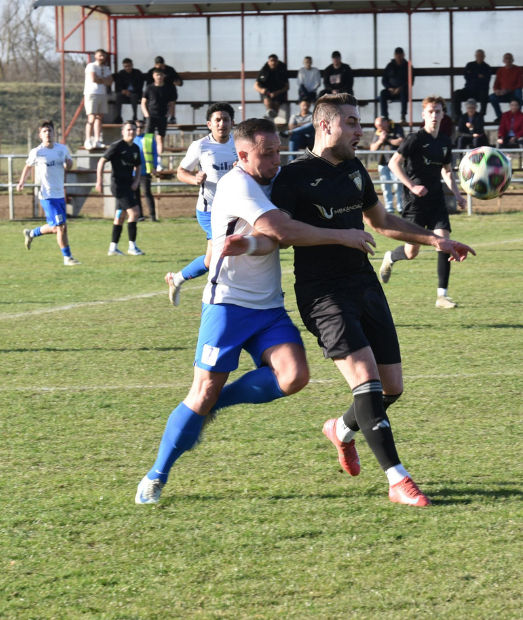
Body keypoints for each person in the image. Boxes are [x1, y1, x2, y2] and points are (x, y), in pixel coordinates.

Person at [135, 117, 380, 506]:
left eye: (279, 151)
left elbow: (268, 241)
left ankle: (219, 404)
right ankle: (156, 475)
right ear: (242, 155)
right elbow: (281, 231)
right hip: (227, 306)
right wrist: (343, 235)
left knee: (295, 376)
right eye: (267, 154)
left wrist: (247, 245)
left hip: (267, 306)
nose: (275, 160)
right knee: (200, 394)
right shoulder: (237, 185)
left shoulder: (274, 178)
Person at [270, 93, 475, 507]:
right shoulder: (293, 177)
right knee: (367, 382)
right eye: (351, 123)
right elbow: (282, 233)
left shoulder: (355, 171)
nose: (360, 131)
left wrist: (434, 239)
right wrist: (339, 236)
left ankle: (341, 431)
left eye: (359, 123)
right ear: (325, 125)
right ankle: (399, 480)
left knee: (392, 389)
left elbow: (380, 222)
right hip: (323, 293)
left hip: (364, 284)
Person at [380, 95, 467, 308]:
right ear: (423, 114)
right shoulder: (415, 139)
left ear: (443, 113)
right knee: (411, 252)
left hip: (436, 199)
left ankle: (442, 296)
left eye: (438, 111)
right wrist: (412, 186)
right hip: (414, 202)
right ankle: (391, 256)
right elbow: (394, 164)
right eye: (430, 112)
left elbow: (446, 171)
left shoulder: (446, 141)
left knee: (444, 242)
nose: (434, 115)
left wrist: (457, 194)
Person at [166, 103, 237, 305]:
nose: (222, 123)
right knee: (224, 251)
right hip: (209, 211)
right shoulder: (200, 146)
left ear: (232, 123)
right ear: (209, 124)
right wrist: (194, 179)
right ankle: (220, 299)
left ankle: (176, 278)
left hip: (234, 210)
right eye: (217, 120)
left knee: (210, 260)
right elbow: (181, 172)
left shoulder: (239, 144)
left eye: (225, 119)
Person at [18, 121, 79, 265]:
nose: (48, 133)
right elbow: (28, 166)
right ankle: (67, 258)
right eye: (44, 131)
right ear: (40, 135)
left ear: (54, 133)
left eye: (50, 131)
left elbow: (68, 163)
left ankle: (31, 233)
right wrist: (22, 181)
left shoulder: (62, 149)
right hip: (47, 196)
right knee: (61, 227)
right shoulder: (37, 152)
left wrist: (69, 164)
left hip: (59, 195)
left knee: (55, 228)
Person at [96, 120, 144, 256]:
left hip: (128, 186)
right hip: (119, 186)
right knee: (135, 213)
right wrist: (99, 181)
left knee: (120, 216)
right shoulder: (116, 146)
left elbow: (138, 166)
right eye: (129, 129)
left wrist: (136, 181)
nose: (131, 132)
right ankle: (132, 247)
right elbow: (101, 161)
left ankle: (113, 248)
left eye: (134, 129)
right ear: (123, 132)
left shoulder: (135, 148)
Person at [369, 116, 406, 215]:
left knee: (398, 185)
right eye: (377, 126)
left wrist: (388, 139)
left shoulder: (396, 127)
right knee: (385, 186)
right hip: (383, 163)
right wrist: (380, 140)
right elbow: (372, 148)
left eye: (381, 125)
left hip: (396, 163)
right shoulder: (378, 132)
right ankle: (389, 208)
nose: (379, 128)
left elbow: (402, 141)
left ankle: (400, 207)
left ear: (386, 122)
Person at [83, 48, 113, 149]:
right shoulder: (91, 66)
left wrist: (100, 80)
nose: (102, 57)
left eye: (103, 56)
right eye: (100, 55)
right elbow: (93, 79)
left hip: (102, 94)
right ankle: (88, 139)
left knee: (99, 118)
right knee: (91, 117)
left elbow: (110, 81)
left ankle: (97, 140)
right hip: (92, 93)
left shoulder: (106, 68)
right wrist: (103, 80)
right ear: (95, 56)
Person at [451, 49, 493, 116]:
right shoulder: (470, 65)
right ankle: (458, 115)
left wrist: (473, 76)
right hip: (468, 90)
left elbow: (486, 80)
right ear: (475, 56)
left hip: (480, 92)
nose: (479, 57)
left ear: (484, 56)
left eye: (481, 56)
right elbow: (467, 77)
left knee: (484, 95)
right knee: (457, 93)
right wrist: (478, 76)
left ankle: (481, 116)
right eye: (478, 56)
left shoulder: (487, 67)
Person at [141, 68, 176, 149]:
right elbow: (143, 103)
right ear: (153, 76)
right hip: (151, 115)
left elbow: (172, 103)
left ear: (164, 76)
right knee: (148, 138)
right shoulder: (149, 88)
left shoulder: (168, 88)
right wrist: (146, 115)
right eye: (157, 75)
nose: (159, 77)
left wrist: (168, 114)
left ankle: (159, 158)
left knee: (160, 138)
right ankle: (148, 157)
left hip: (162, 116)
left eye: (161, 75)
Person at [146, 56, 182, 123]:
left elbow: (179, 80)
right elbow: (148, 86)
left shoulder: (170, 70)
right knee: (149, 131)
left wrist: (177, 82)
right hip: (152, 113)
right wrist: (147, 116)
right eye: (157, 74)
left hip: (168, 92)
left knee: (161, 131)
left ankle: (172, 117)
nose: (160, 76)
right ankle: (148, 119)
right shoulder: (151, 72)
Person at [488, 52, 523, 119]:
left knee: (519, 92)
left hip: (513, 94)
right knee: (492, 97)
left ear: (512, 60)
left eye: (509, 58)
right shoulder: (500, 70)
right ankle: (500, 116)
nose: (508, 60)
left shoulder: (518, 69)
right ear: (503, 60)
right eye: (506, 58)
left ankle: (518, 115)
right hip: (503, 94)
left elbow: (520, 84)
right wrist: (497, 91)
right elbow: (496, 84)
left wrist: (509, 90)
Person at [135, 126, 160, 221]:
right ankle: (140, 216)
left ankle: (152, 216)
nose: (138, 129)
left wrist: (154, 166)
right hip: (133, 172)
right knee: (135, 194)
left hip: (145, 171)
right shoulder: (131, 138)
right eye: (136, 127)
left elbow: (154, 153)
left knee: (147, 192)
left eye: (140, 127)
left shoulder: (148, 138)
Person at [255, 54, 289, 118]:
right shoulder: (264, 70)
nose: (273, 63)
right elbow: (256, 85)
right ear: (268, 62)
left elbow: (287, 86)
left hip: (279, 92)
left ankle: (270, 116)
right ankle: (269, 113)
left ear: (277, 62)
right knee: (267, 101)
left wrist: (277, 93)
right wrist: (262, 90)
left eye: (275, 61)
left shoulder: (282, 71)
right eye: (271, 61)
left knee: (276, 104)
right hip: (266, 92)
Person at [380, 47, 409, 121]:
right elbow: (384, 79)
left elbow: (410, 81)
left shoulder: (408, 66)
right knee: (383, 93)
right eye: (397, 54)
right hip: (391, 91)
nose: (398, 56)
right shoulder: (389, 66)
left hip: (402, 90)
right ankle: (385, 116)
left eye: (400, 54)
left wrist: (400, 88)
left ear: (403, 55)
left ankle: (403, 115)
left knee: (404, 92)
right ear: (394, 55)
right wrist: (389, 88)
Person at [497, 99, 523, 164]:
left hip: (518, 136)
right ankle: (496, 161)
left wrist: (516, 137)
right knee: (499, 142)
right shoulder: (505, 115)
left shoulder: (522, 116)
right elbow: (502, 127)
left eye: (516, 105)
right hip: (506, 136)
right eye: (512, 105)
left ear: (518, 106)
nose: (514, 107)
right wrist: (501, 137)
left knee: (521, 140)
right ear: (510, 106)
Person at [113, 58, 143, 123]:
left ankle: (135, 116)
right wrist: (123, 91)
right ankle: (118, 116)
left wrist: (131, 92)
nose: (128, 68)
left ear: (132, 65)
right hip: (125, 93)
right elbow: (118, 86)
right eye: (126, 66)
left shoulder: (137, 73)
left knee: (134, 96)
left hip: (135, 93)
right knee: (118, 96)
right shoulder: (121, 73)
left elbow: (140, 85)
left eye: (129, 66)